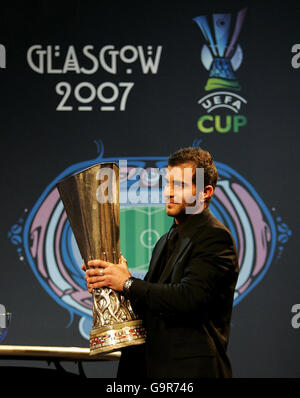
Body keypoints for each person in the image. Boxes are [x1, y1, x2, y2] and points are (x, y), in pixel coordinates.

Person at [82, 147, 239, 378]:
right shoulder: (165, 241)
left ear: (206, 192)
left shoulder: (215, 237)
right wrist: (109, 280)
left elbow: (188, 299)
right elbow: (152, 306)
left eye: (181, 186)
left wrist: (127, 284)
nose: (169, 192)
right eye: (169, 183)